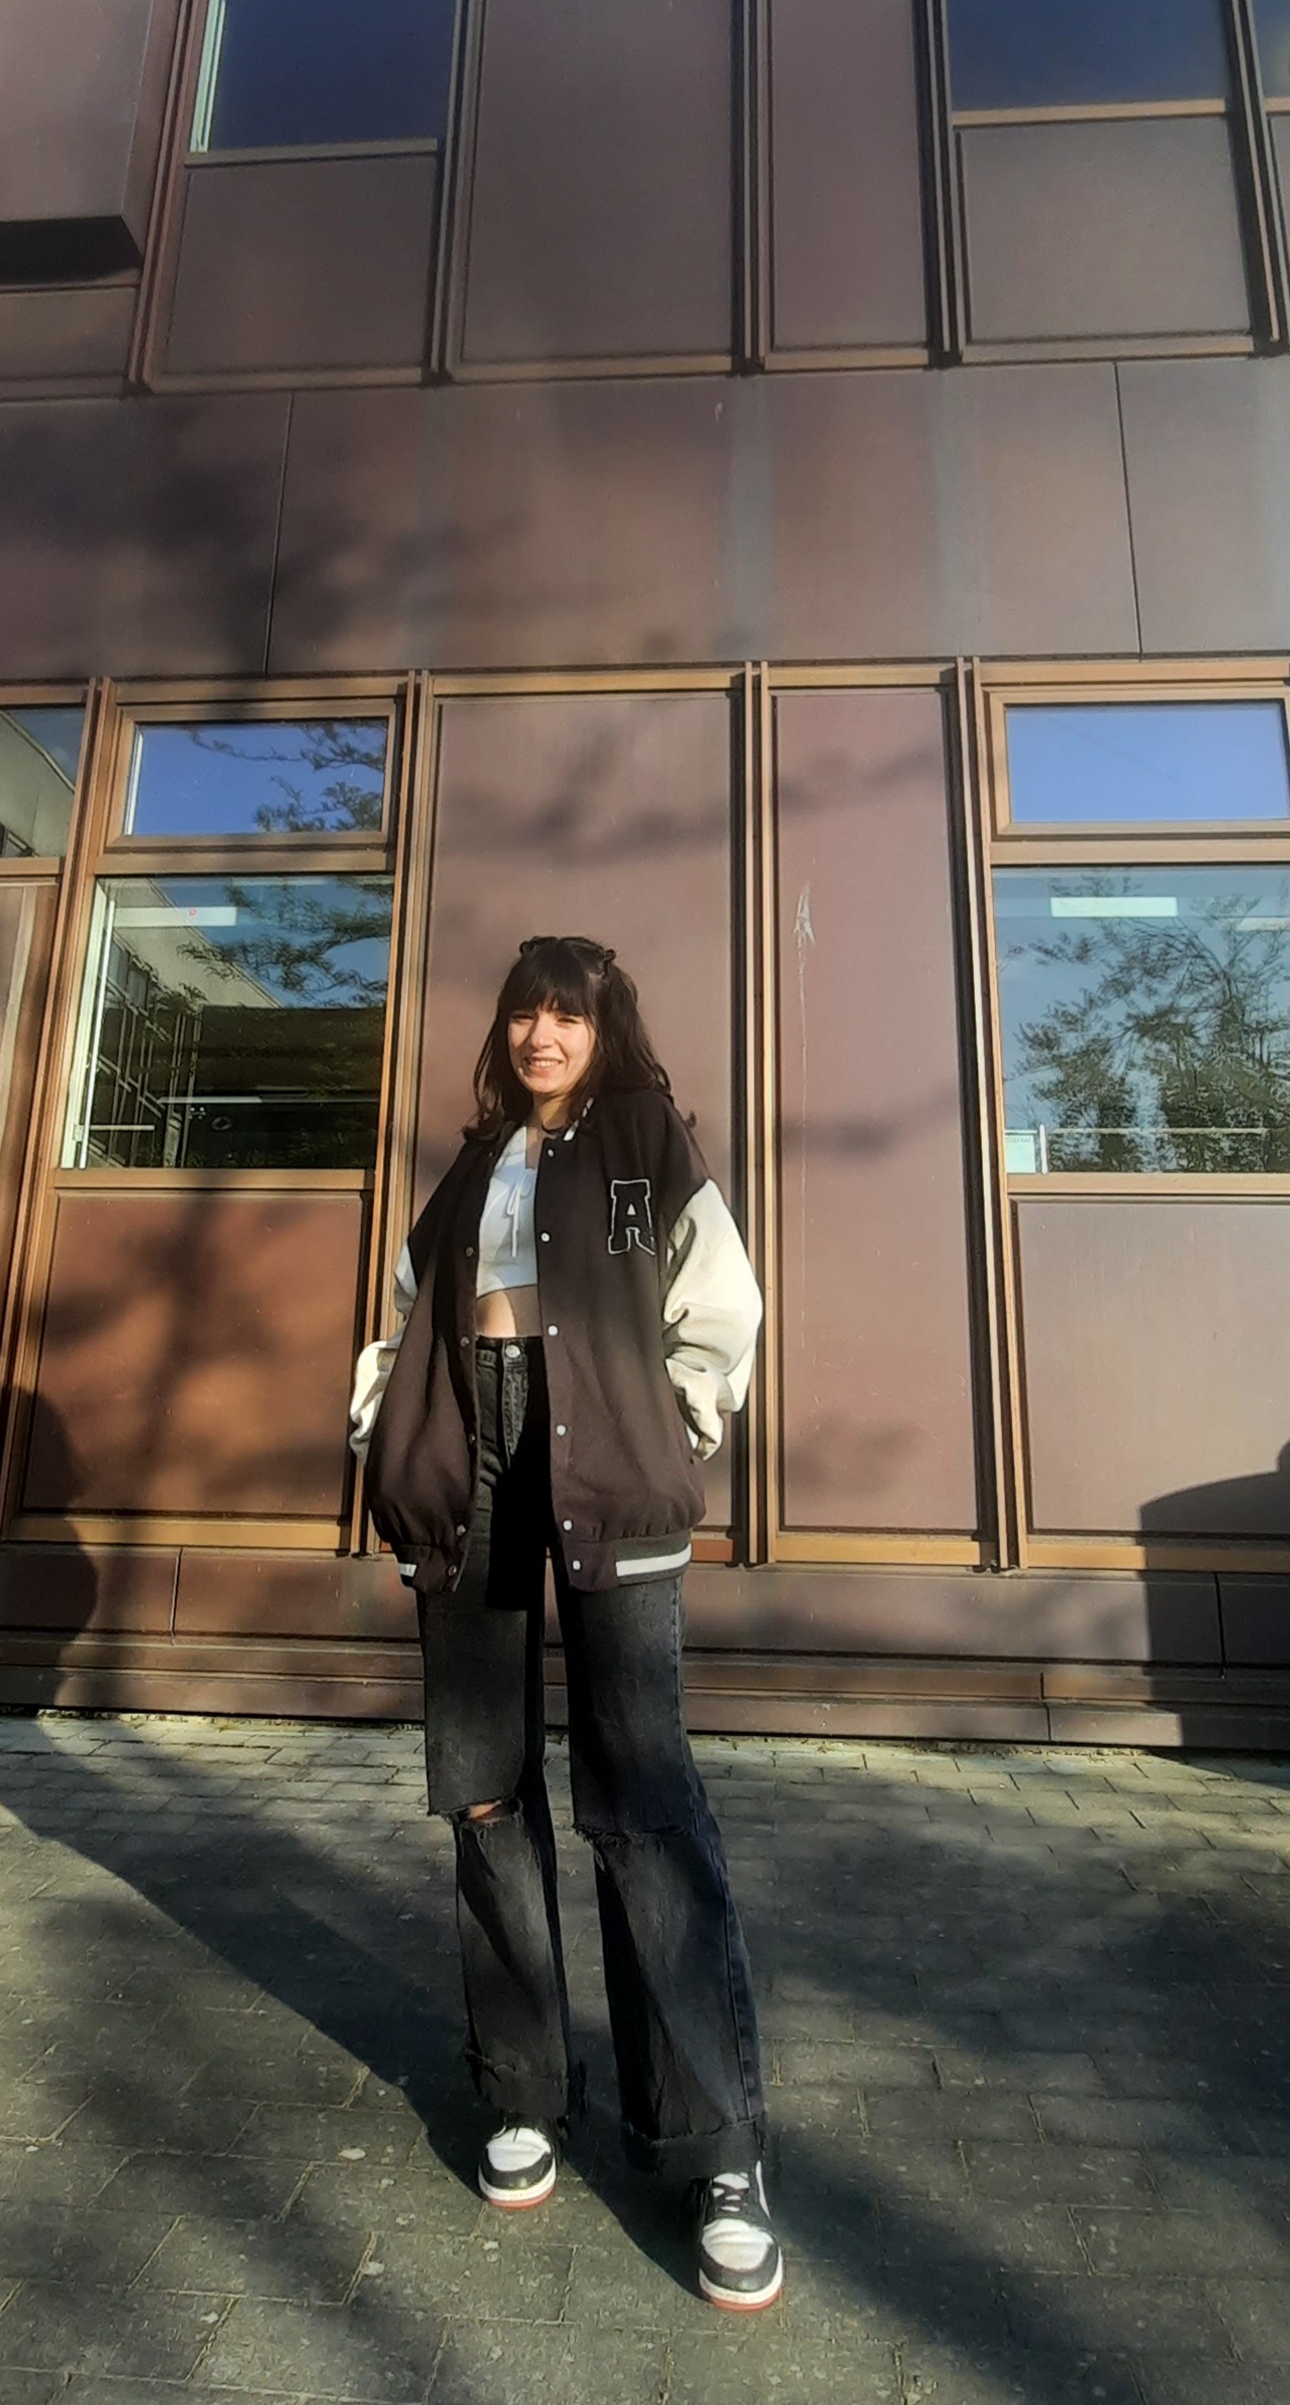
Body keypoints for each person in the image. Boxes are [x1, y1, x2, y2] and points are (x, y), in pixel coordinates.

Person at [348, 934, 783, 2315]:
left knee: (644, 1798)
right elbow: (412, 1314)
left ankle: (713, 2145)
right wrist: (383, 1428)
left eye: (567, 1011)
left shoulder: (651, 1138)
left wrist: (671, 1433)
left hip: (608, 1470)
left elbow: (720, 1312)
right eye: (525, 1011)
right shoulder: (477, 1160)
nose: (542, 1032)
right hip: (472, 1461)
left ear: (604, 1024)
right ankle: (526, 2088)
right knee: (485, 1790)